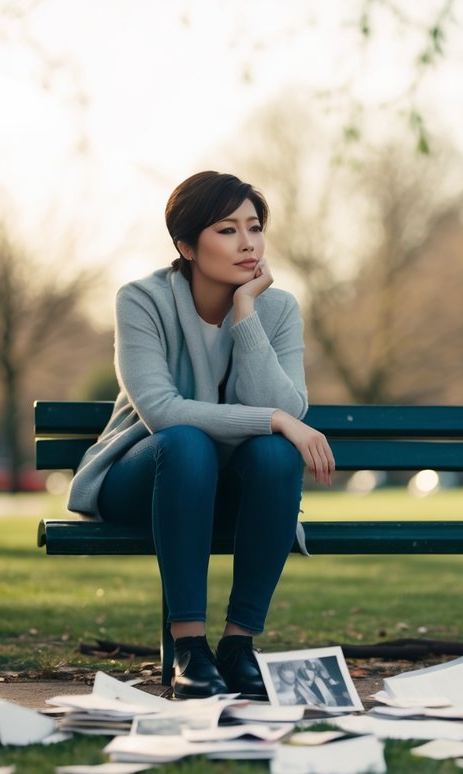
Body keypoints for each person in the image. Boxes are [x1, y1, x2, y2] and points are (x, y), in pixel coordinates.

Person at [66, 171, 335, 699]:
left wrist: (246, 314)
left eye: (254, 227)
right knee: (189, 444)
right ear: (187, 246)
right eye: (227, 230)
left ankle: (238, 647)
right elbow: (164, 413)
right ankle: (189, 648)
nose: (248, 242)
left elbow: (288, 405)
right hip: (146, 477)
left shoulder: (276, 309)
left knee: (278, 457)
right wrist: (274, 421)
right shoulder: (142, 300)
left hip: (231, 487)